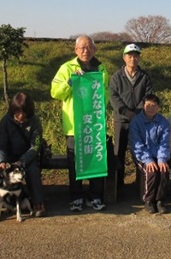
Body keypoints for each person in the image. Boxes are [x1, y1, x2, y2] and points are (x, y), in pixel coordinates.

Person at [51, 35, 110, 212]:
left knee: (96, 160)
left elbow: (105, 94)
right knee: (75, 163)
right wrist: (70, 82)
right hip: (75, 126)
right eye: (82, 48)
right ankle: (76, 197)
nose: (86, 51)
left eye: (89, 47)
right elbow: (55, 92)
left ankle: (95, 196)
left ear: (94, 50)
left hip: (94, 125)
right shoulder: (66, 68)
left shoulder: (102, 69)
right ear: (75, 50)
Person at [0, 92, 46, 221]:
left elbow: (36, 146)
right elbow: (1, 144)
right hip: (8, 156)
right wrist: (2, 161)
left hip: (27, 157)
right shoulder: (6, 121)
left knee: (32, 170)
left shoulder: (35, 122)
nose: (21, 116)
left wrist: (22, 161)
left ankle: (38, 202)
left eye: (23, 113)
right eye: (17, 112)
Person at [110, 44, 153, 189]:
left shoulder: (145, 77)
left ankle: (140, 183)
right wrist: (126, 112)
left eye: (135, 56)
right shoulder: (117, 77)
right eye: (130, 56)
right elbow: (113, 97)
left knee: (141, 150)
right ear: (124, 58)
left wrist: (138, 112)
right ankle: (118, 184)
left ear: (139, 57)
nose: (133, 59)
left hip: (140, 119)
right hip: (121, 120)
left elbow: (148, 96)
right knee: (119, 152)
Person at [129, 94, 170, 214]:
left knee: (164, 170)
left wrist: (162, 159)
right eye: (148, 105)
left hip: (158, 155)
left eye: (154, 105)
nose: (150, 108)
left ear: (158, 107)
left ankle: (160, 200)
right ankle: (148, 200)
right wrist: (148, 159)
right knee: (151, 171)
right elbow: (136, 144)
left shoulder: (163, 122)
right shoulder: (136, 122)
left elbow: (164, 142)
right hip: (141, 156)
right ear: (143, 106)